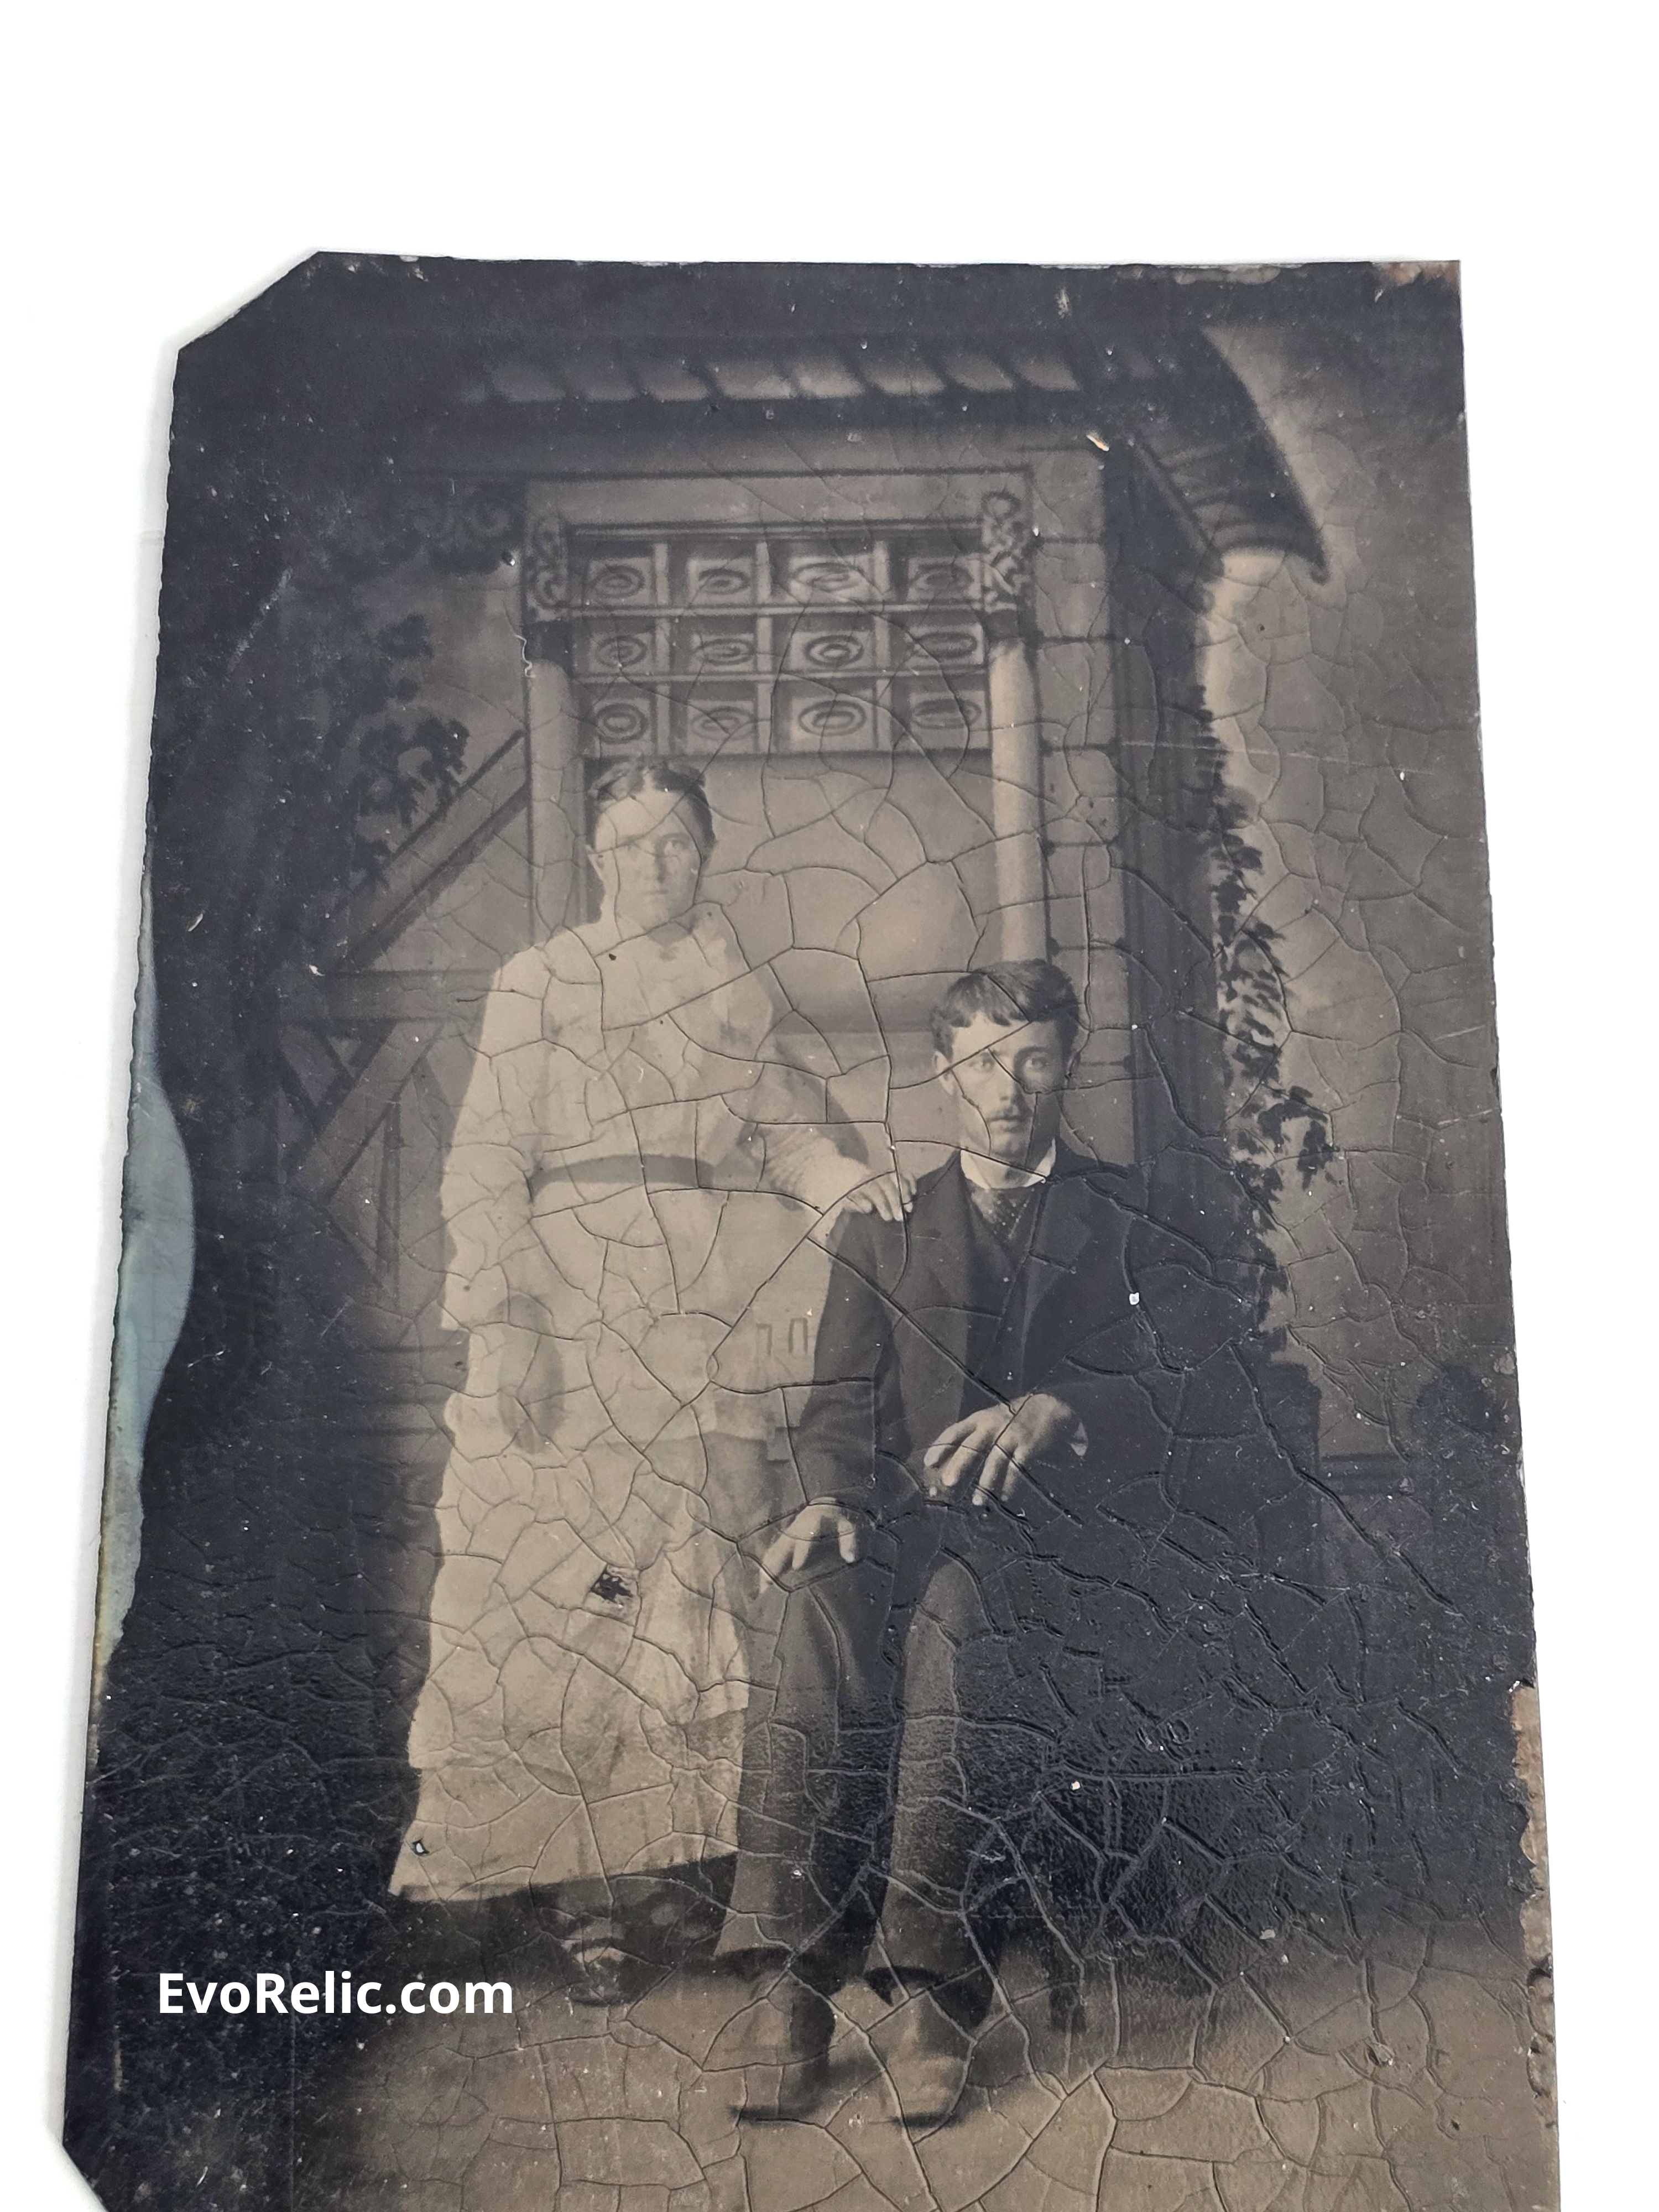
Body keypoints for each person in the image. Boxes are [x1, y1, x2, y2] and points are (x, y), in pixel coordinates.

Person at [393, 759, 905, 1998]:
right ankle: (583, 1898)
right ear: (597, 859)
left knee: (675, 1584)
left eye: (674, 842)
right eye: (628, 846)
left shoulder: (733, 988)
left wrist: (849, 1182)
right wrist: (510, 1319)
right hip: (567, 1309)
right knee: (566, 1582)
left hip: (690, 1308)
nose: (652, 865)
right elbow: (486, 1158)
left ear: (708, 853)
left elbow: (785, 1126)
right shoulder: (541, 982)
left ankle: (667, 1866)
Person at [716, 958, 1233, 2126]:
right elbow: (840, 1404)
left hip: (1057, 1549)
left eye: (1035, 1057)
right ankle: (787, 1982)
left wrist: (1066, 1406)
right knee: (806, 1602)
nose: (1010, 1087)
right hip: (898, 1526)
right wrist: (830, 1496)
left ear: (1068, 1064)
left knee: (953, 1626)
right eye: (985, 1061)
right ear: (943, 1072)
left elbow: (1204, 1390)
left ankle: (932, 1992)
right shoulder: (886, 1227)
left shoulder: (1131, 1214)